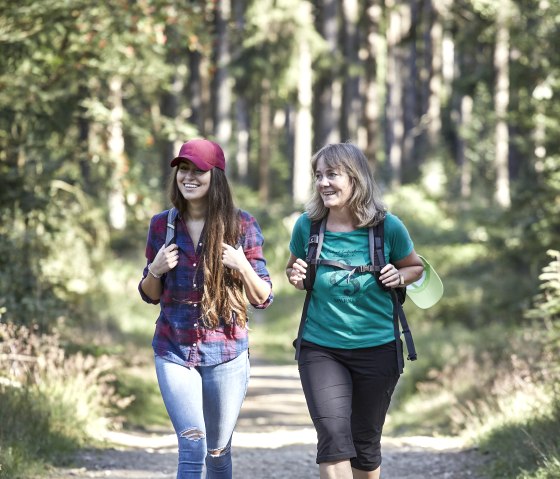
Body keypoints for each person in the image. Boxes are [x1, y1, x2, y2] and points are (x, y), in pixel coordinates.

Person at [286, 142, 424, 479]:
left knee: (365, 446)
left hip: (378, 347)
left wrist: (399, 274)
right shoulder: (308, 226)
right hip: (321, 347)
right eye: (318, 176)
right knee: (333, 439)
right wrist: (295, 275)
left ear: (355, 178)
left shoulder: (387, 227)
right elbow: (294, 269)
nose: (323, 183)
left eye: (332, 174)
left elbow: (415, 268)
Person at [138, 138, 273, 479]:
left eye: (199, 170)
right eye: (184, 169)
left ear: (217, 177)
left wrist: (242, 265)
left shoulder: (241, 226)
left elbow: (263, 297)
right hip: (174, 349)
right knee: (192, 445)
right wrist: (155, 270)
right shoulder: (162, 225)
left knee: (217, 452)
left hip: (226, 352)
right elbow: (149, 294)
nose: (189, 177)